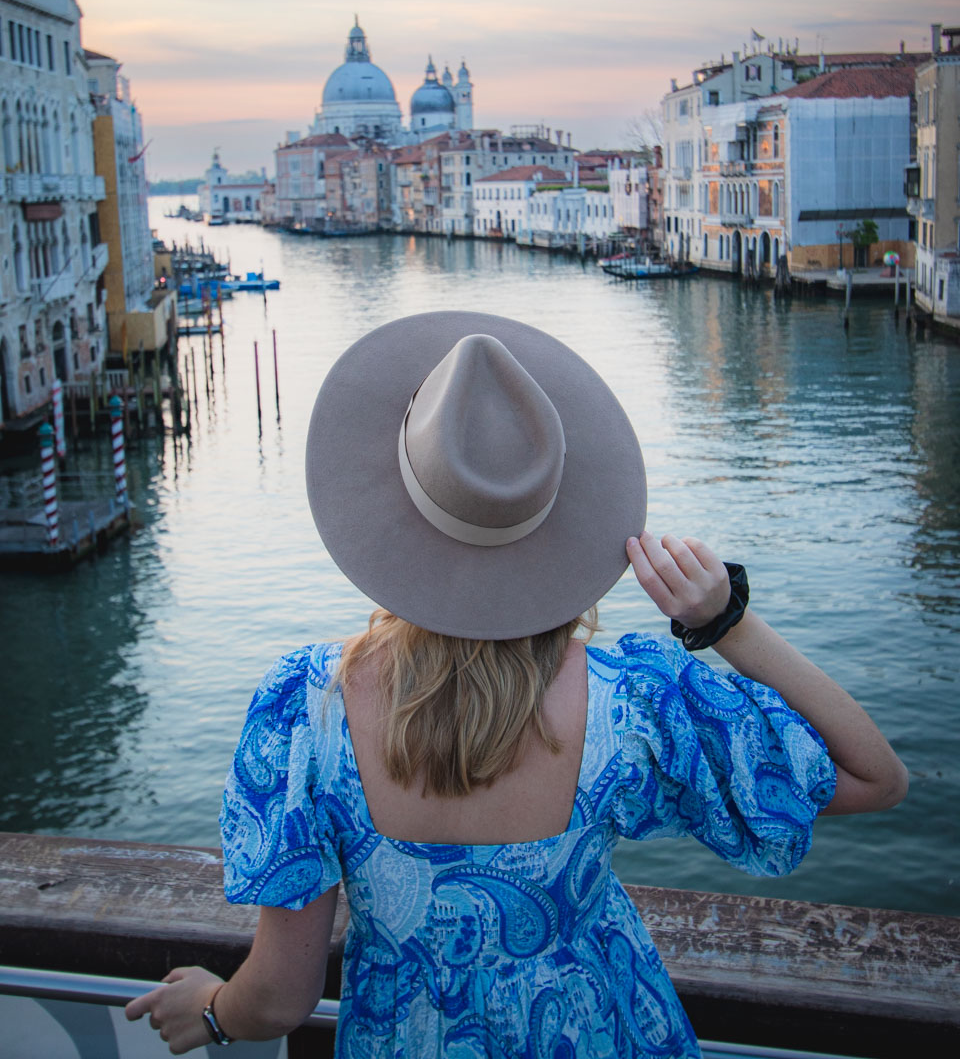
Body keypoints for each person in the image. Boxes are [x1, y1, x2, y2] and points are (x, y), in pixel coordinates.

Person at [126, 311, 908, 1056]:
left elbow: (278, 1000)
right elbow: (875, 777)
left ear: (392, 506)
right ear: (559, 508)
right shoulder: (631, 700)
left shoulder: (308, 713)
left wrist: (210, 1010)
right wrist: (727, 622)